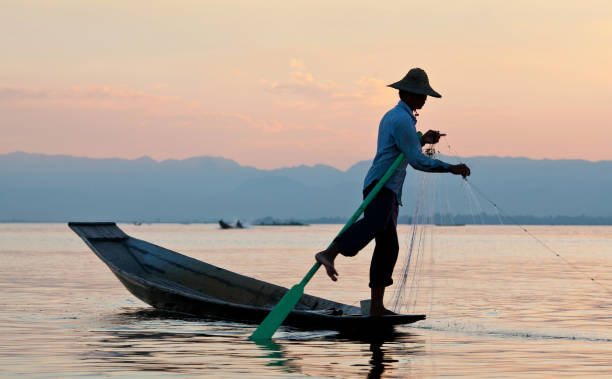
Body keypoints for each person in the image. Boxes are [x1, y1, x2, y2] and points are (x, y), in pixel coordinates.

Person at [315, 68, 471, 316]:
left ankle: (377, 307)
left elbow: (405, 147)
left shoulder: (403, 118)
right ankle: (330, 252)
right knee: (375, 224)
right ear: (406, 94)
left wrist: (422, 139)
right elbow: (417, 161)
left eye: (425, 95)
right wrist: (451, 168)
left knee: (388, 247)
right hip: (381, 185)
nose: (424, 99)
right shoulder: (400, 119)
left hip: (389, 188)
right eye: (420, 94)